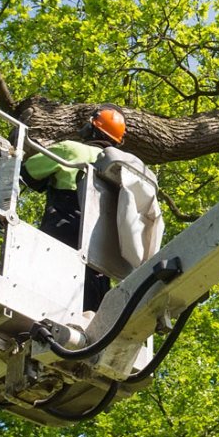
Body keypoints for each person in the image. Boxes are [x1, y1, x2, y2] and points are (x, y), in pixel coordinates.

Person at [24, 107, 138, 310]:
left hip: (61, 241)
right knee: (91, 319)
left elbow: (29, 172)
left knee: (43, 308)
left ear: (93, 129)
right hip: (100, 262)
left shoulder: (71, 149)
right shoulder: (123, 172)